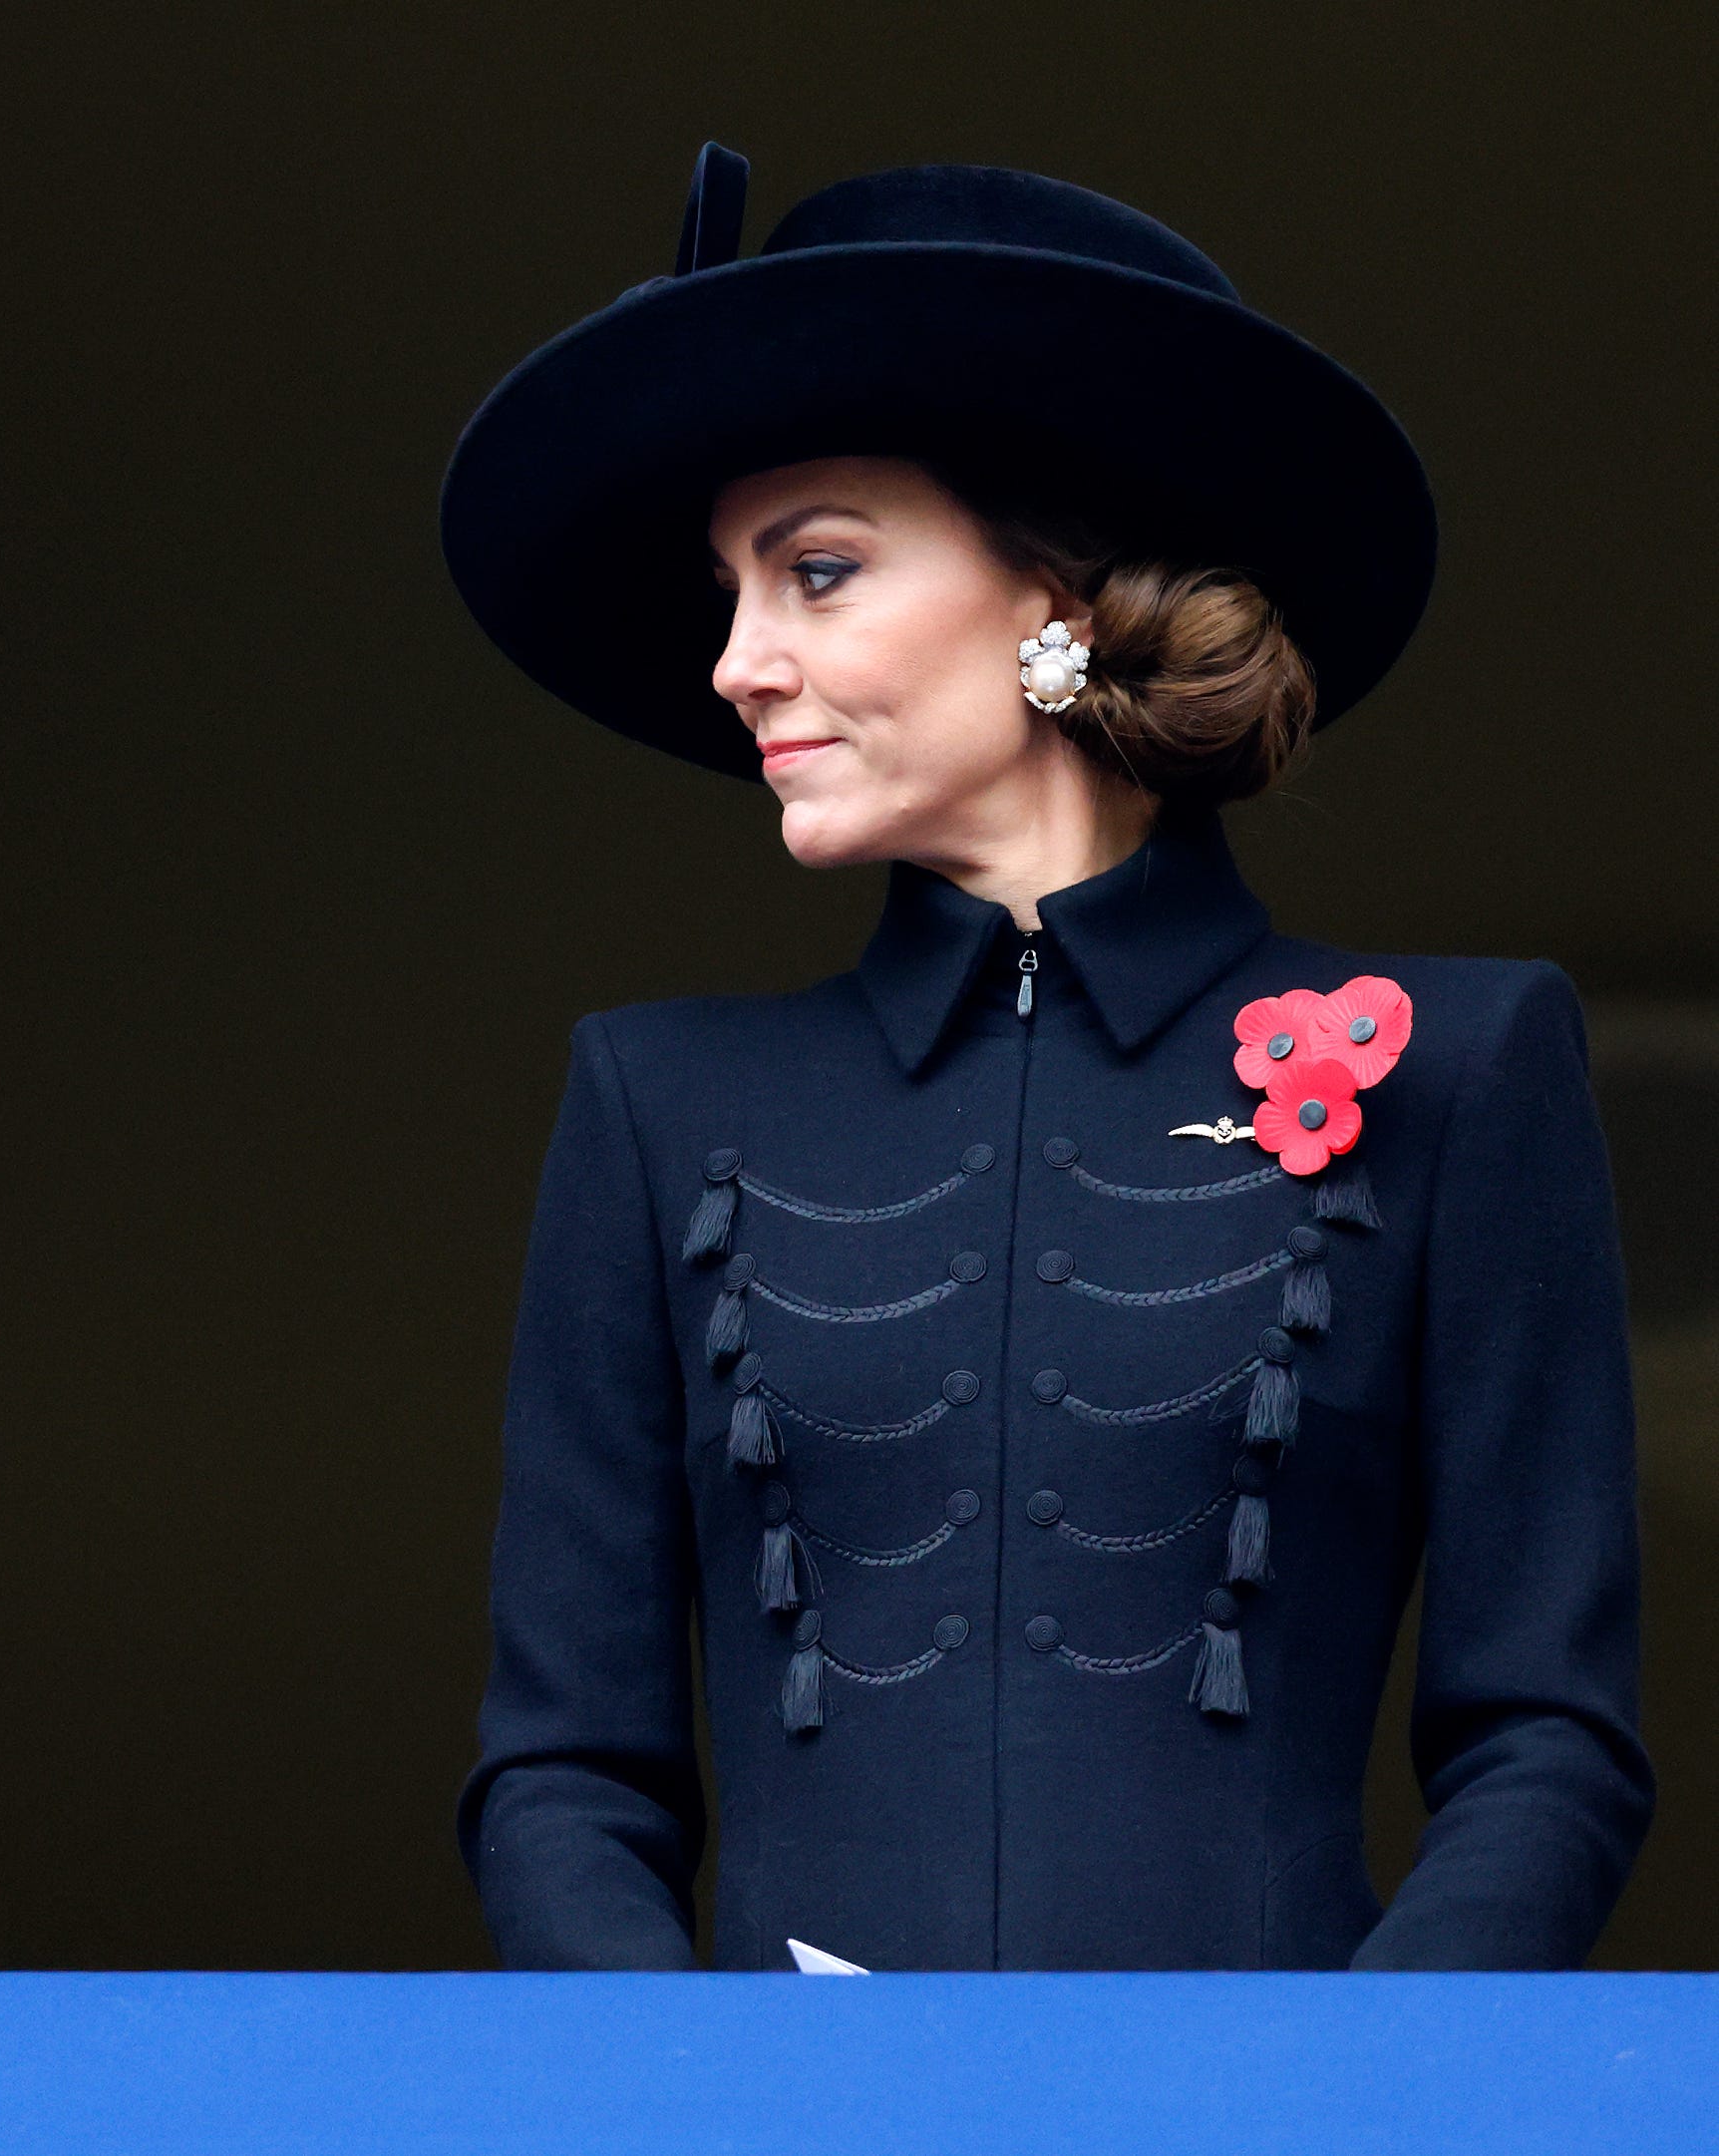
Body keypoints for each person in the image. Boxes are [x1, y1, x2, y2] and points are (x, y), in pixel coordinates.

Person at [443, 149, 1649, 1970]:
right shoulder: (654, 1099)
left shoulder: (1466, 1063)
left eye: (818, 572)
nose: (736, 663)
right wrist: (700, 2107)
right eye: (726, 592)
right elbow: (564, 1771)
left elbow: (1545, 1736)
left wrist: (1347, 2101)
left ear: (1056, 604)